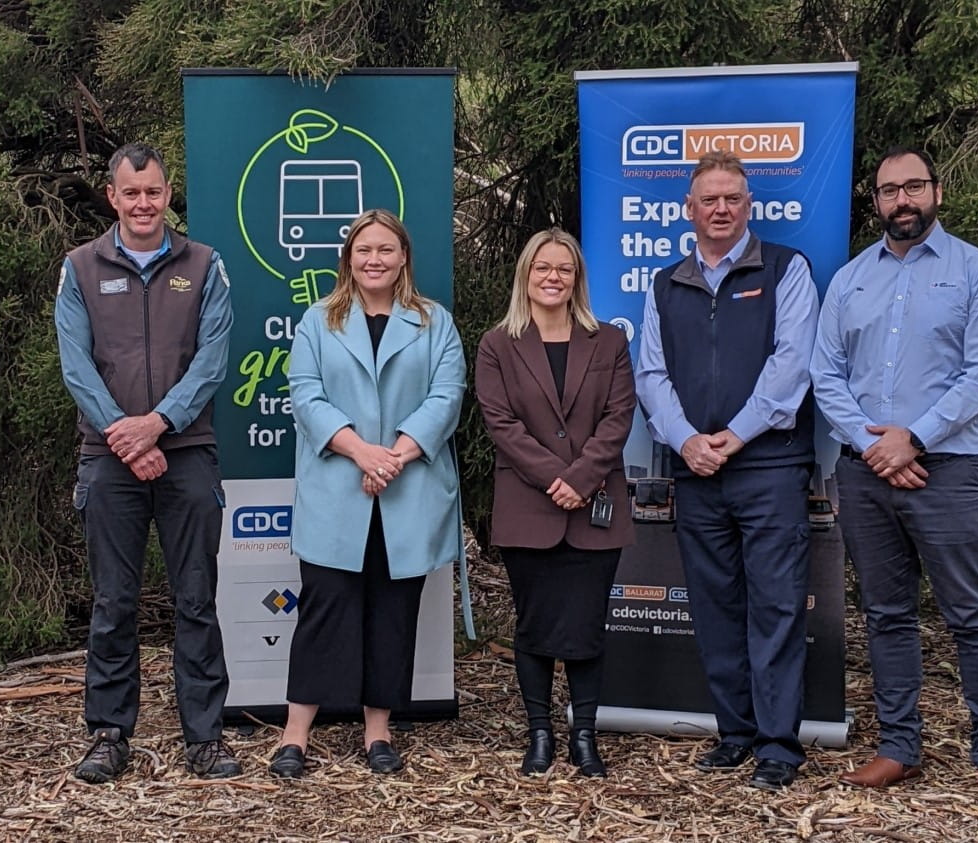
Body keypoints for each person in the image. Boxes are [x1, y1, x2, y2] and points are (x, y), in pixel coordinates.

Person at [812, 146, 978, 808]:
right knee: (886, 613)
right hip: (866, 473)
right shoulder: (849, 281)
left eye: (914, 187)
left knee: (975, 616)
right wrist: (874, 447)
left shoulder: (977, 273)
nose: (902, 200)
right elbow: (826, 373)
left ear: (936, 192)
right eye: (888, 190)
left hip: (949, 470)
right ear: (874, 201)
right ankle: (899, 746)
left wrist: (914, 438)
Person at [634, 151, 818, 790]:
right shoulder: (666, 284)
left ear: (749, 205)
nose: (720, 209)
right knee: (714, 608)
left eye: (732, 198)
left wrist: (733, 438)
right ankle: (735, 733)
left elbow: (792, 365)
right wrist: (687, 442)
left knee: (775, 606)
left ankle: (777, 747)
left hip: (769, 466)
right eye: (708, 199)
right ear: (688, 209)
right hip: (696, 472)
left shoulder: (786, 270)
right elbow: (650, 375)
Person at [54, 142, 238, 782]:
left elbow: (212, 360)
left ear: (167, 193)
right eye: (130, 193)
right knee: (113, 603)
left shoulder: (206, 265)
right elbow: (75, 365)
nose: (142, 203)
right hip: (106, 460)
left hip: (187, 454)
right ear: (113, 196)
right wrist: (123, 436)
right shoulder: (79, 267)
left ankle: (205, 738)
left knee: (196, 600)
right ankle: (107, 734)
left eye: (153, 192)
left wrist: (158, 425)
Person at [266, 209, 465, 778]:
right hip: (339, 490)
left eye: (385, 249)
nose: (374, 259)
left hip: (408, 492)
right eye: (363, 250)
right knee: (323, 612)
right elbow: (306, 397)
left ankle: (378, 733)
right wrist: (363, 452)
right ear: (348, 258)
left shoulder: (434, 323)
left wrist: (395, 454)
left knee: (392, 615)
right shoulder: (317, 322)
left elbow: (446, 397)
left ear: (404, 257)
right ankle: (294, 735)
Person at [476, 229, 635, 777]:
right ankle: (540, 733)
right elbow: (501, 423)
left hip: (595, 507)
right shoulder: (498, 344)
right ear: (526, 274)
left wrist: (583, 478)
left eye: (564, 269)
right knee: (535, 627)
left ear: (577, 279)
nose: (553, 277)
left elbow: (618, 418)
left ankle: (584, 735)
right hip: (529, 508)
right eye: (542, 267)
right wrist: (554, 479)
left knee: (588, 627)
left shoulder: (609, 341)